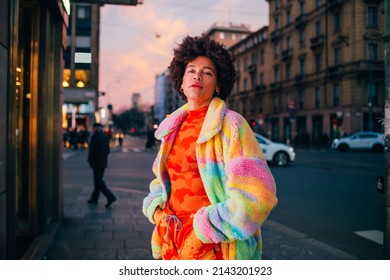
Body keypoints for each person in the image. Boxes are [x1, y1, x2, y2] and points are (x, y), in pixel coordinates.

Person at [142, 34, 277, 260]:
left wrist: (202, 231)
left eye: (207, 72)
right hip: (171, 242)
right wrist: (157, 214)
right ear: (182, 82)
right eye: (191, 70)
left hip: (213, 247)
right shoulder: (172, 128)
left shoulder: (231, 125)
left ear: (217, 85)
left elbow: (258, 195)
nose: (198, 75)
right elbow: (161, 181)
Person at [87, 122, 116, 207]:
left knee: (98, 182)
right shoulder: (105, 137)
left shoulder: (95, 137)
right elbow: (107, 151)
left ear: (95, 128)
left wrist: (90, 160)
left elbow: (93, 151)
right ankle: (94, 199)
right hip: (103, 162)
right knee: (98, 181)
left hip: (96, 163)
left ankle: (110, 197)